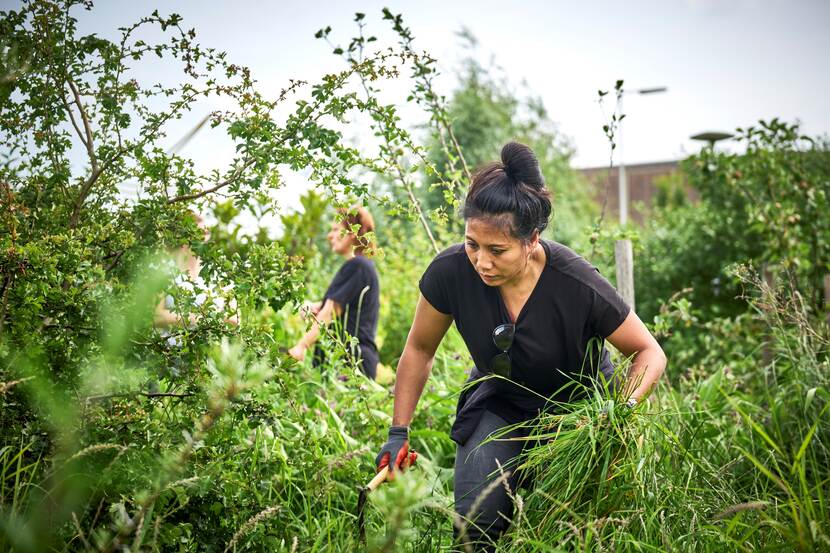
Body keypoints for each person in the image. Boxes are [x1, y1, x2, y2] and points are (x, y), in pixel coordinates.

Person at [374, 142, 667, 550]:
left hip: (579, 416)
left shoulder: (576, 284)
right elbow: (420, 349)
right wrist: (397, 432)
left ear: (532, 240)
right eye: (472, 244)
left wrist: (613, 413)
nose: (481, 261)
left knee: (569, 537)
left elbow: (649, 353)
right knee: (473, 528)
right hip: (501, 402)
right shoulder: (451, 273)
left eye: (497, 250)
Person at [288, 206, 381, 380]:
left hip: (350, 363)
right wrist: (312, 307)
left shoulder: (357, 266)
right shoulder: (362, 267)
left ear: (353, 233)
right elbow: (337, 309)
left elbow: (329, 314)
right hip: (351, 363)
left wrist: (301, 347)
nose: (329, 236)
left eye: (336, 230)